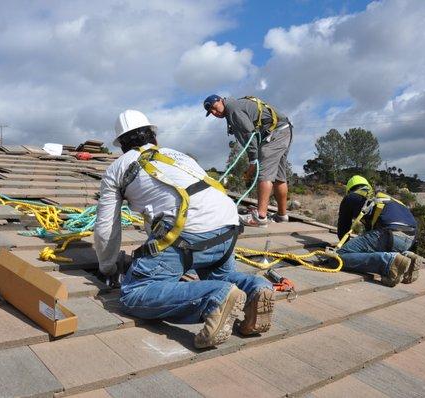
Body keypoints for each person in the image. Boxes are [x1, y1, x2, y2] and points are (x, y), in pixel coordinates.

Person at [94, 109, 275, 349]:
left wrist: (107, 266)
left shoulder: (117, 168)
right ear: (153, 138)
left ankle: (216, 299)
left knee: (134, 294)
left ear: (122, 146)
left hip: (187, 237)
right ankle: (256, 289)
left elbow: (106, 226)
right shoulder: (179, 156)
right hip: (228, 227)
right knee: (217, 276)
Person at [204, 94, 293, 228]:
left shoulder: (233, 109)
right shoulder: (236, 105)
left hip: (276, 133)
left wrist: (253, 161)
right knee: (279, 176)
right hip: (284, 130)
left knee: (264, 172)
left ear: (221, 100)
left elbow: (249, 136)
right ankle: (281, 215)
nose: (214, 112)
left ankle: (260, 217)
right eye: (211, 112)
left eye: (214, 108)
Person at [337, 175, 422, 287]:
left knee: (338, 257)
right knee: (372, 250)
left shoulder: (351, 197)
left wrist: (344, 247)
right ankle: (408, 257)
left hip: (390, 234)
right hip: (410, 239)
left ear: (350, 190)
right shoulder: (386, 199)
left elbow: (343, 229)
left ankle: (388, 262)